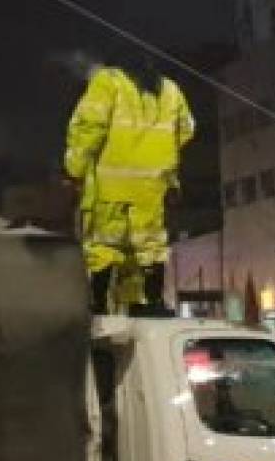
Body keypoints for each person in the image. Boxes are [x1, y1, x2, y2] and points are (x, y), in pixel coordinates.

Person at [64, 49, 195, 314]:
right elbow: (187, 129)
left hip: (111, 182)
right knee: (148, 246)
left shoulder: (107, 82)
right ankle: (148, 303)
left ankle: (98, 304)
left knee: (105, 245)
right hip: (152, 185)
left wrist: (74, 169)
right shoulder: (170, 90)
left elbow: (89, 127)